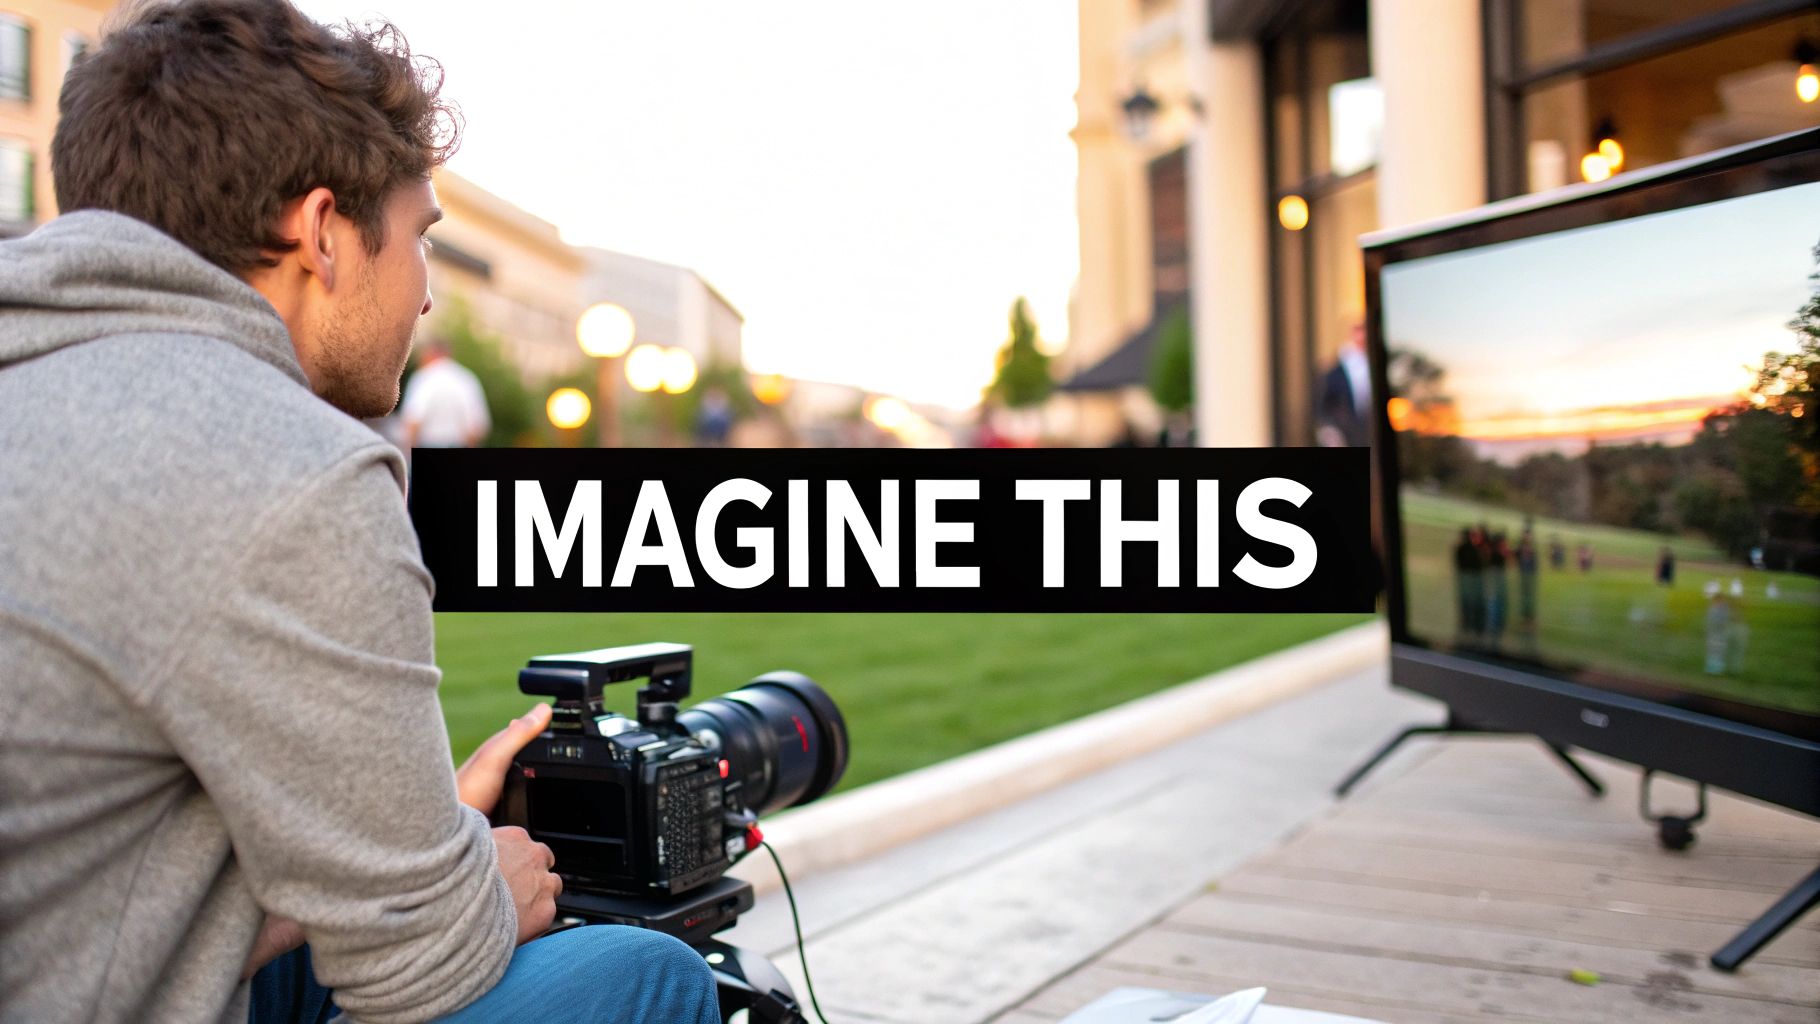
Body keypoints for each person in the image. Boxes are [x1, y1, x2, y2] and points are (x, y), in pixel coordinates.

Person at [0, 3, 719, 1022]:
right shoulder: (288, 466)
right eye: (419, 234)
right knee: (649, 977)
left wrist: (417, 849)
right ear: (324, 232)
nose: (425, 294)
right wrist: (468, 885)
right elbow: (419, 972)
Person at [400, 338, 491, 448]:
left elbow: (413, 420)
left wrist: (408, 452)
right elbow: (478, 426)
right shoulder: (467, 378)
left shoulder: (423, 377)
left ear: (430, 354)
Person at [1315, 322, 1372, 448]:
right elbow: (1323, 405)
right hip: (1345, 431)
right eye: (1359, 330)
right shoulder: (1335, 368)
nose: (1362, 336)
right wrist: (1330, 429)